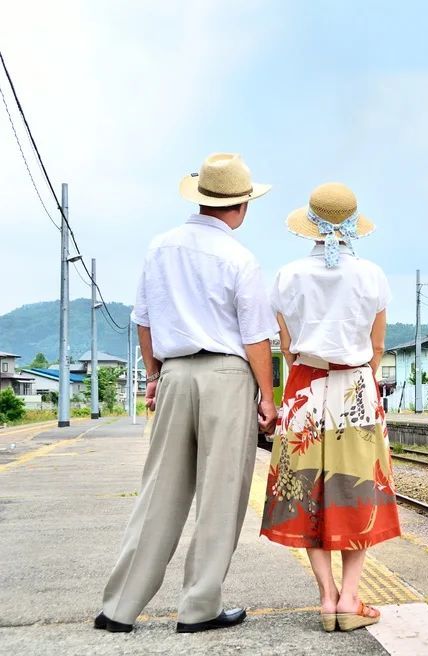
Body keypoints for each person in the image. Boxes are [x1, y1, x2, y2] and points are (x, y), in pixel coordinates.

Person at [95, 153, 278, 634]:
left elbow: (144, 319)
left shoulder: (160, 247)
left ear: (201, 200)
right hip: (226, 377)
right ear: (240, 207)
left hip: (174, 374)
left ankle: (119, 607)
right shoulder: (241, 258)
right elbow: (256, 335)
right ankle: (198, 608)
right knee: (220, 494)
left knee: (160, 490)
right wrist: (267, 396)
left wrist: (154, 377)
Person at [260, 182, 400, 633]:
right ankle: (351, 597)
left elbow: (284, 346)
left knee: (306, 491)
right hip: (355, 386)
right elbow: (377, 347)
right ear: (352, 225)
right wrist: (363, 382)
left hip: (304, 384)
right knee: (356, 489)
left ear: (310, 227)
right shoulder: (372, 275)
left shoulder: (286, 276)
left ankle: (324, 598)